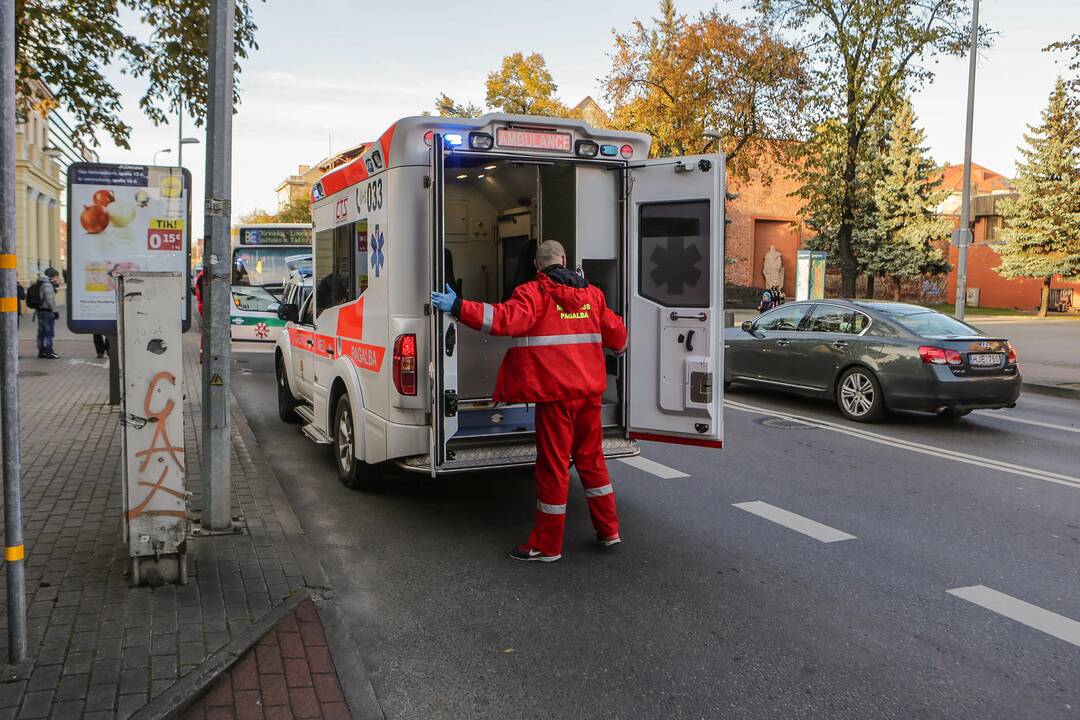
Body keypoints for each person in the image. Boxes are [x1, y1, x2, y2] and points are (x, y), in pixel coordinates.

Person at [431, 240, 628, 563]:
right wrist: (618, 349)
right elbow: (617, 335)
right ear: (565, 260)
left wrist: (457, 307)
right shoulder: (592, 295)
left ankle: (547, 546)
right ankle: (609, 532)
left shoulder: (534, 294)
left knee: (552, 469)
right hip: (590, 394)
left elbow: (503, 319)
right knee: (592, 462)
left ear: (537, 266)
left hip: (556, 397)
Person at [34, 268, 61, 359]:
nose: (58, 279)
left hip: (40, 311)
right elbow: (50, 300)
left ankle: (41, 351)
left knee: (41, 332)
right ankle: (49, 351)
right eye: (57, 277)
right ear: (54, 276)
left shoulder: (40, 282)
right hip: (47, 311)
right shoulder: (48, 285)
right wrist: (55, 311)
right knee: (48, 332)